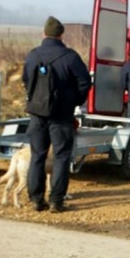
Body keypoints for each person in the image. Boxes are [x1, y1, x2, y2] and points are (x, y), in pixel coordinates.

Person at [22, 16, 91, 213]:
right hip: (61, 115)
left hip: (37, 114)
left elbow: (26, 80)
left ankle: (36, 199)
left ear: (44, 33)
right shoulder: (70, 57)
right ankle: (56, 201)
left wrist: (35, 98)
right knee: (61, 157)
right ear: (61, 35)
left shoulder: (32, 55)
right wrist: (74, 101)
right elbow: (85, 83)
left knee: (37, 156)